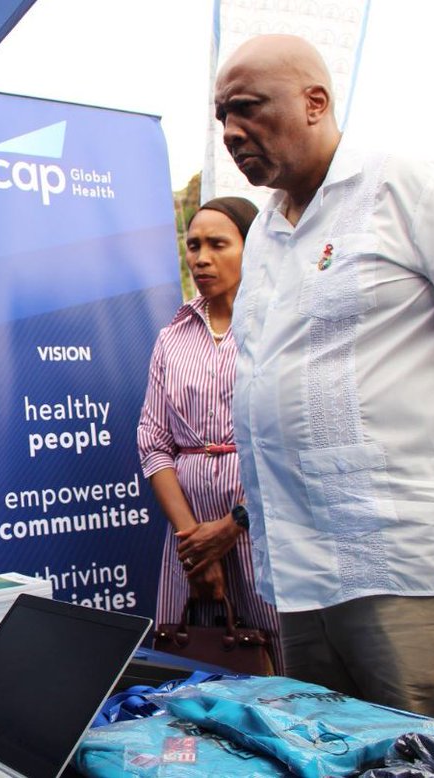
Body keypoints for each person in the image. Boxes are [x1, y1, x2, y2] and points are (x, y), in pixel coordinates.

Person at [214, 34, 434, 731]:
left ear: (316, 102)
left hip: (412, 569)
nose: (230, 132)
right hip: (302, 579)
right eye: (221, 116)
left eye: (247, 108)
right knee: (338, 757)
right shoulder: (269, 239)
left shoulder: (409, 186)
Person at [137, 196, 282, 674]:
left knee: (277, 659)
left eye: (218, 244)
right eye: (193, 244)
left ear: (253, 247)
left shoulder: (278, 325)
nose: (201, 258)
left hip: (266, 531)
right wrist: (193, 544)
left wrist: (233, 525)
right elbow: (154, 442)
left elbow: (288, 439)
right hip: (190, 534)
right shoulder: (172, 337)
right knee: (195, 662)